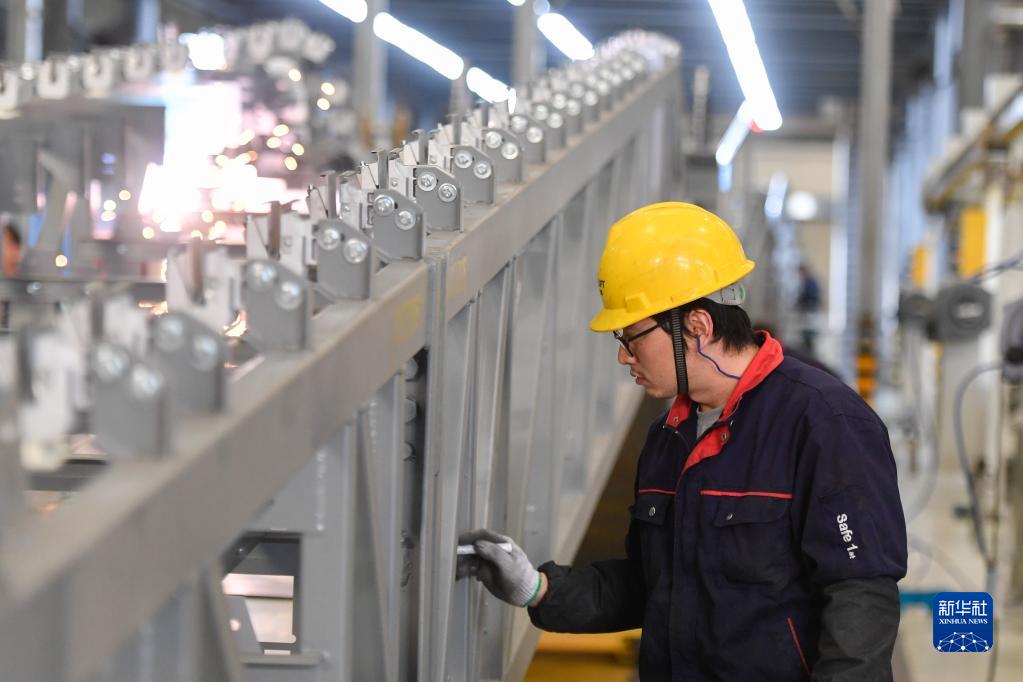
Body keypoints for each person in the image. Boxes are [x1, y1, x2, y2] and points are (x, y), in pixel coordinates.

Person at [457, 202, 907, 681]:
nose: (623, 356)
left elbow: (860, 597)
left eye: (632, 336)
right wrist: (538, 588)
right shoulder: (669, 437)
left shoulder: (824, 422)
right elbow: (651, 585)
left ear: (697, 327)